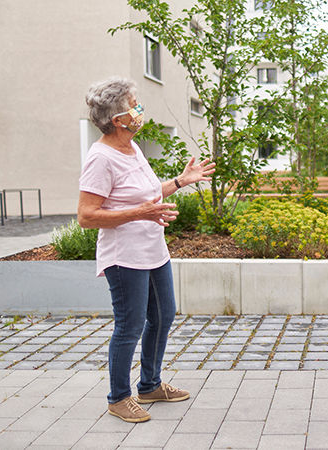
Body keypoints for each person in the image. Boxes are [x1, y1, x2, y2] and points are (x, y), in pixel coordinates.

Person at [78, 77, 215, 423]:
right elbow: (86, 216)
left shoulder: (133, 148)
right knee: (130, 325)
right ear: (118, 119)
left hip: (154, 251)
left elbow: (147, 196)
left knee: (164, 315)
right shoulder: (101, 157)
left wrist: (181, 181)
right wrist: (142, 213)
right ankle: (118, 398)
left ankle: (150, 384)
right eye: (134, 105)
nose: (141, 111)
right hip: (124, 258)